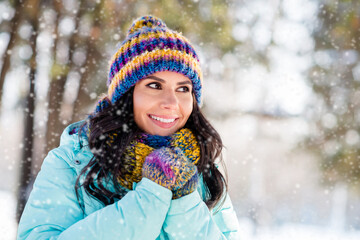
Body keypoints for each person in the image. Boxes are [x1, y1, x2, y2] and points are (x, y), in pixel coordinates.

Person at [17, 15, 241, 239]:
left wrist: (183, 201)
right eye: (154, 85)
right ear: (127, 95)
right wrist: (150, 198)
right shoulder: (71, 162)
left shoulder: (203, 170)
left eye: (183, 89)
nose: (172, 103)